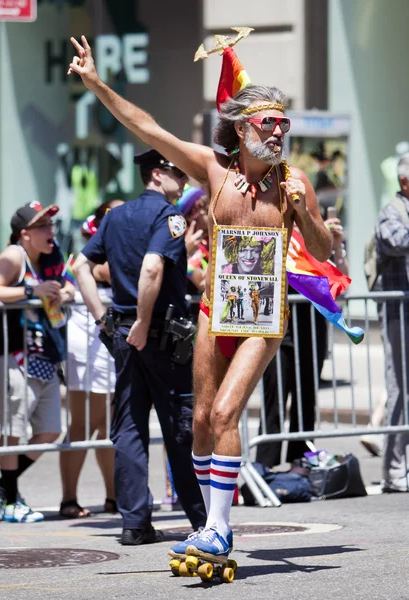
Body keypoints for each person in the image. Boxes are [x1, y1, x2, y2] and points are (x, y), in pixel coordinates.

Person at [67, 35, 332, 557]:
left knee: (227, 412)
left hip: (262, 313)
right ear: (242, 127)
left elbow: (321, 251)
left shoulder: (294, 181)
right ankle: (208, 523)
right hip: (214, 308)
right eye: (268, 123)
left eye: (284, 123)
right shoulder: (214, 170)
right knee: (201, 421)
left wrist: (304, 213)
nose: (278, 132)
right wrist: (97, 84)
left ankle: (218, 528)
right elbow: (149, 129)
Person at [71, 146, 207, 545]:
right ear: (157, 175)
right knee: (180, 427)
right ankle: (202, 522)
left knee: (129, 427)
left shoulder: (114, 217)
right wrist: (145, 323)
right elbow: (152, 266)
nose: (182, 183)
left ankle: (134, 524)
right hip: (159, 334)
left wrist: (102, 319)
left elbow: (79, 266)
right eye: (177, 175)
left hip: (125, 335)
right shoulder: (170, 217)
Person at [0, 202, 75, 523]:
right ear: (24, 234)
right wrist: (31, 289)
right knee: (13, 428)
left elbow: (68, 284)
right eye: (42, 226)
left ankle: (2, 488)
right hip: (16, 355)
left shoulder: (52, 256)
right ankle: (10, 499)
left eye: (51, 225)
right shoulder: (14, 255)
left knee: (51, 430)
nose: (49, 232)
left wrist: (65, 293)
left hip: (46, 354)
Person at [256, 215, 348, 467]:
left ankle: (301, 460)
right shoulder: (276, 229)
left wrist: (335, 245)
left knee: (306, 393)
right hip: (280, 327)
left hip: (311, 326)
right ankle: (265, 463)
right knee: (275, 392)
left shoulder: (317, 237)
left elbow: (341, 280)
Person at [59, 200, 123, 518]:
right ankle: (69, 498)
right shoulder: (95, 253)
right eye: (115, 213)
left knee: (107, 425)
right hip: (86, 344)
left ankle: (112, 497)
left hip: (107, 345)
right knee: (84, 424)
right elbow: (113, 272)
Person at [375, 152, 409, 492]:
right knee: (399, 389)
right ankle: (394, 470)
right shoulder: (391, 212)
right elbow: (397, 241)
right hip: (400, 314)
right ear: (404, 182)